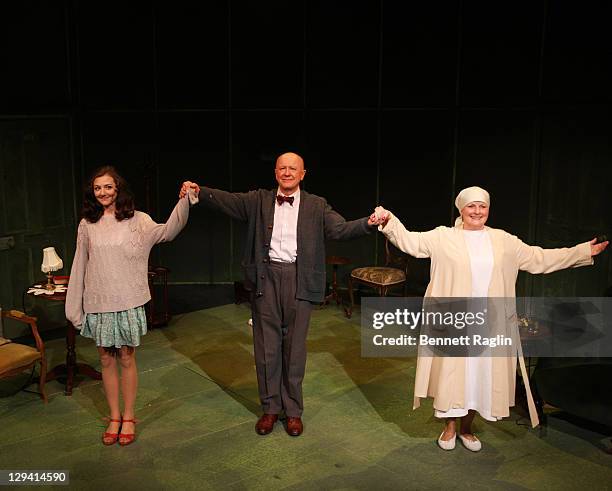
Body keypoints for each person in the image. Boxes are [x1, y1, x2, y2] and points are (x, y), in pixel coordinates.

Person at [371, 186, 608, 451]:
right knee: (453, 374)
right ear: (461, 209)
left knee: (478, 376)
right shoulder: (443, 237)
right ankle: (449, 428)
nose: (477, 211)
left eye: (482, 206)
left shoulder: (504, 240)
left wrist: (582, 251)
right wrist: (389, 220)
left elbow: (539, 258)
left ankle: (467, 428)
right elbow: (410, 242)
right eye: (471, 206)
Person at [180, 152, 377, 436]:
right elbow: (228, 200)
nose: (287, 172)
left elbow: (341, 229)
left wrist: (368, 223)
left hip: (300, 278)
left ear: (303, 174)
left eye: (292, 168)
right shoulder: (259, 200)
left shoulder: (316, 205)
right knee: (266, 348)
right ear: (275, 173)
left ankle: (293, 410)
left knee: (294, 349)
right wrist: (199, 191)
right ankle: (270, 409)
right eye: (282, 168)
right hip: (266, 277)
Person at [66, 165, 196, 446]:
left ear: (118, 189)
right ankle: (114, 417)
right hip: (99, 302)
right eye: (97, 188)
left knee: (126, 358)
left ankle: (128, 416)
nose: (102, 192)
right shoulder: (87, 225)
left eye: (108, 187)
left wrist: (184, 200)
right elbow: (80, 265)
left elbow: (168, 232)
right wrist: (74, 307)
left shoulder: (138, 220)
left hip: (126, 300)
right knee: (105, 360)